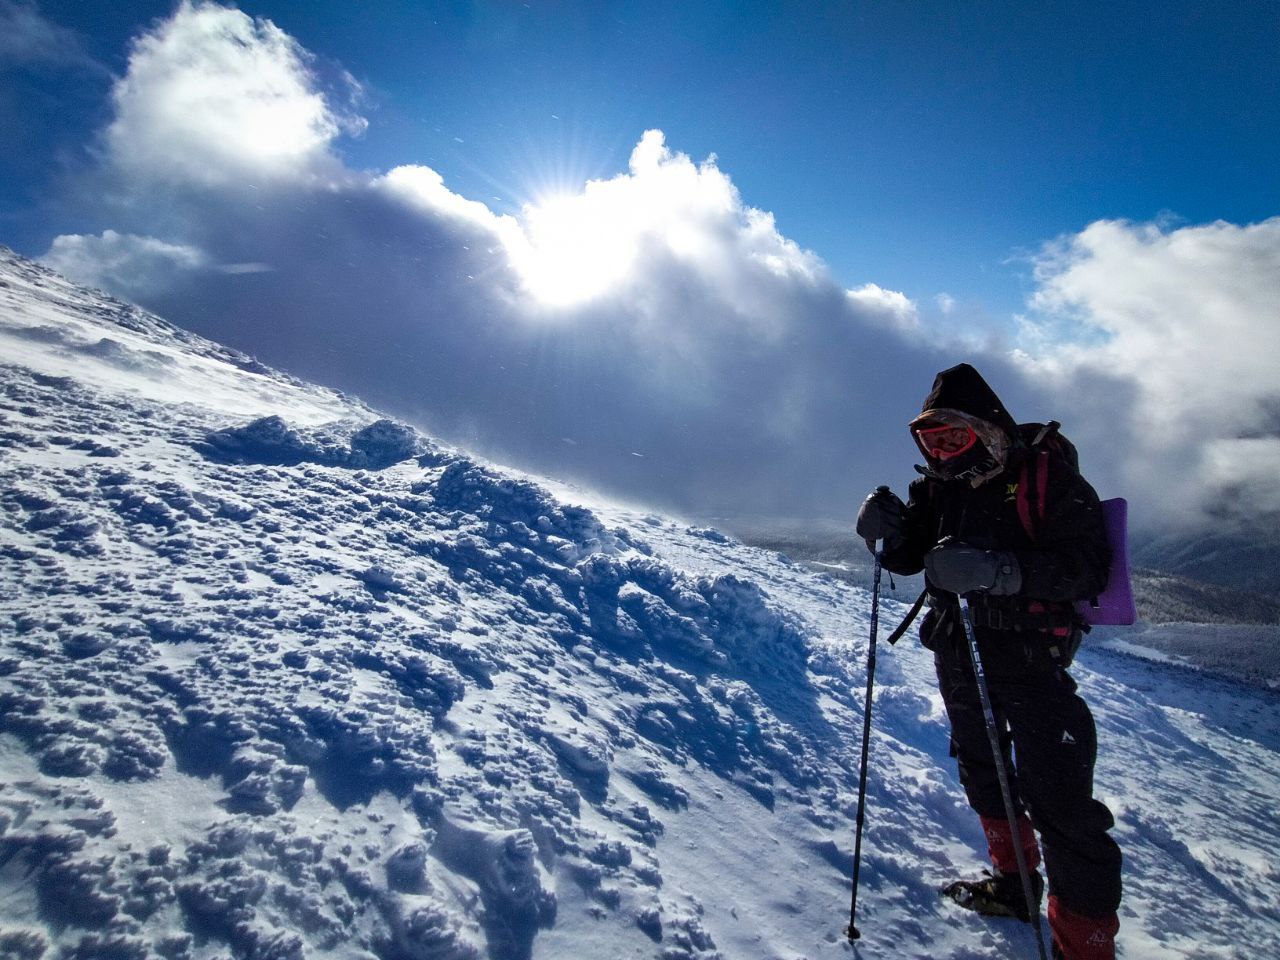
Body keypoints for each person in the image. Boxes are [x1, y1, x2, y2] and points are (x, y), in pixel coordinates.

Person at [856, 363, 1122, 960]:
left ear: (987, 428)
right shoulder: (939, 486)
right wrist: (884, 535)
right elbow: (912, 558)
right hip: (958, 644)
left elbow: (1089, 569)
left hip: (1032, 656)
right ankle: (1015, 887)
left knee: (1061, 801)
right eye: (931, 440)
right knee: (982, 768)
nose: (944, 450)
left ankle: (1085, 945)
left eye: (955, 435)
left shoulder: (1048, 480)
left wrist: (1001, 572)